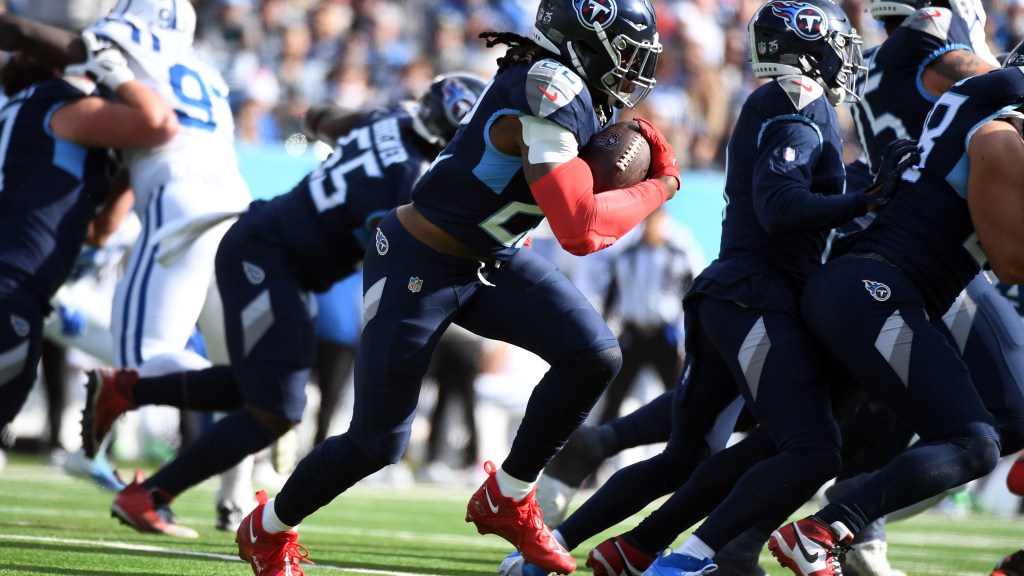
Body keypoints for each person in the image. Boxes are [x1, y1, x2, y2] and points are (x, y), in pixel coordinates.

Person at [233, 0, 680, 574]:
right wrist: (662, 186)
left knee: (593, 354)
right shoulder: (549, 88)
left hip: (489, 259)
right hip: (420, 263)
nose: (633, 70)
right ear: (582, 43)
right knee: (375, 443)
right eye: (624, 53)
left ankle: (508, 495)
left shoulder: (575, 92)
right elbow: (581, 228)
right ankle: (265, 531)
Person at [504, 1, 878, 574]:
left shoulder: (783, 101)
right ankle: (684, 559)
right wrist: (866, 199)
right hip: (758, 298)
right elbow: (780, 206)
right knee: (812, 448)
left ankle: (556, 548)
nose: (846, 58)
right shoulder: (799, 100)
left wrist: (857, 195)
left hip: (733, 296)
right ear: (809, 42)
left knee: (685, 456)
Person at [80, 71, 488, 538]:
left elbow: (315, 118)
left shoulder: (388, 116)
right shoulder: (411, 180)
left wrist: (349, 136)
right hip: (270, 259)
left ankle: (124, 391)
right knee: (277, 408)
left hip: (271, 253)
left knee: (261, 387)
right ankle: (150, 494)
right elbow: (394, 256)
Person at [767, 35, 1024, 576]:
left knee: (824, 440)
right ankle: (826, 528)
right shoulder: (997, 137)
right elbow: (1012, 263)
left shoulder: (979, 121)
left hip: (868, 290)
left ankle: (705, 547)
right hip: (878, 293)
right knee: (973, 441)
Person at [0, 0, 258, 528]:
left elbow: (149, 129)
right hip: (235, 208)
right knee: (234, 371)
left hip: (175, 211)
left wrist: (111, 70)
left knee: (144, 363)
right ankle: (228, 482)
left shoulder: (106, 61)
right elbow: (148, 141)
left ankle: (150, 417)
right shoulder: (202, 72)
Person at [0, 43, 177, 456]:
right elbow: (160, 123)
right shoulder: (58, 106)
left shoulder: (23, 114)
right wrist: (120, 75)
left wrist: (130, 169)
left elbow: (99, 232)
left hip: (22, 280)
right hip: (11, 278)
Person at [594, 206, 702, 426]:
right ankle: (596, 449)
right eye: (648, 221)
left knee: (678, 394)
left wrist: (687, 343)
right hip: (633, 333)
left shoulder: (678, 258)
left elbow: (689, 301)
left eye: (657, 221)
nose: (652, 226)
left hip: (664, 334)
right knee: (614, 395)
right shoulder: (626, 257)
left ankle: (685, 445)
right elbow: (611, 300)